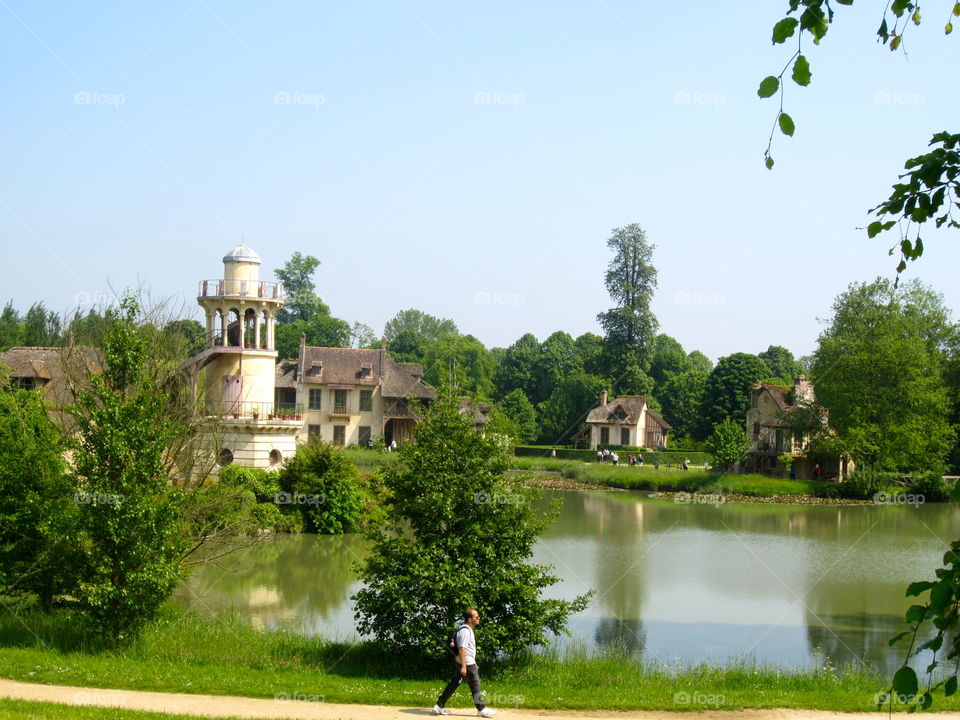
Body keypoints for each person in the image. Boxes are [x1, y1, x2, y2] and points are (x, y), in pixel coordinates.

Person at [432, 608, 496, 717]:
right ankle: (481, 709)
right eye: (476, 617)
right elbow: (462, 649)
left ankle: (439, 706)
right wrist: (464, 666)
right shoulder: (465, 631)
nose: (478, 619)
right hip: (466, 663)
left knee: (454, 683)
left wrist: (473, 661)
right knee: (475, 684)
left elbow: (468, 650)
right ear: (469, 619)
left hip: (467, 662)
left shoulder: (466, 629)